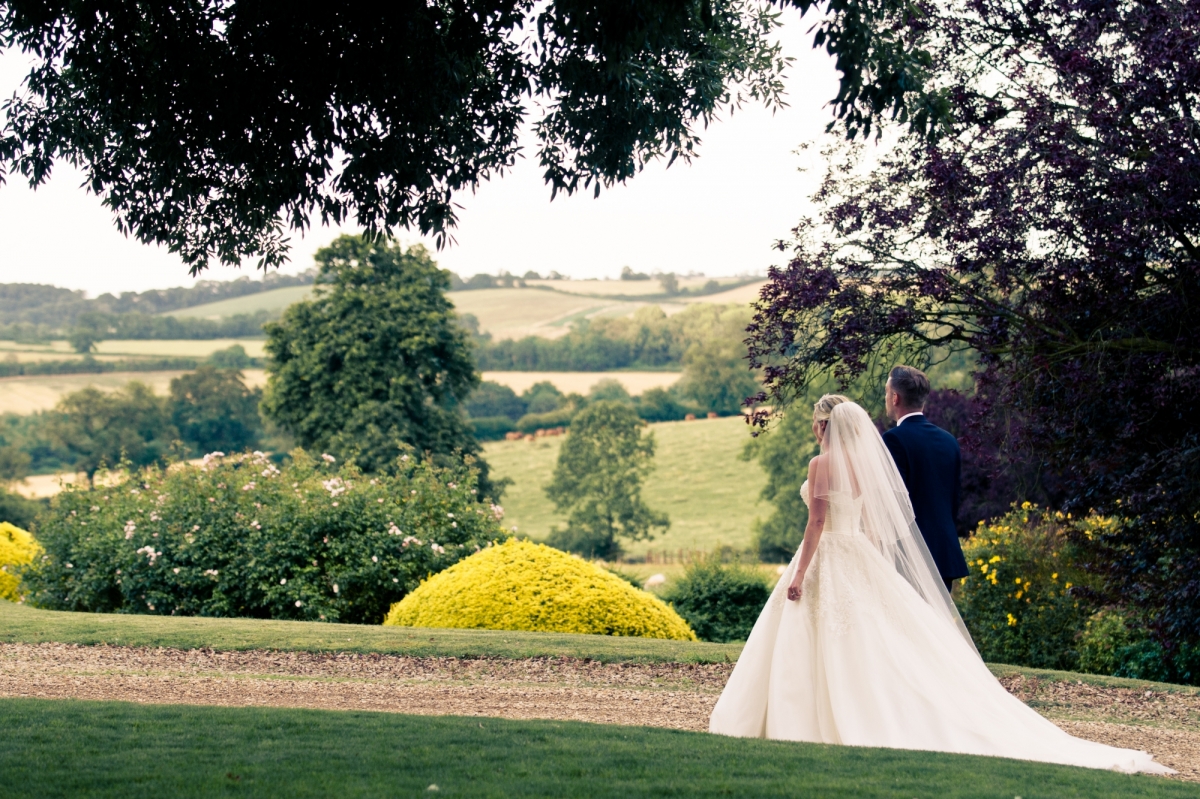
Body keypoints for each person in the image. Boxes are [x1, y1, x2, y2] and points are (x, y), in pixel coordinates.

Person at [708, 396, 1173, 775]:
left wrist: (800, 575)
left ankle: (802, 720)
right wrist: (869, 564)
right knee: (871, 642)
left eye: (816, 423)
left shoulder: (820, 465)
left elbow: (815, 524)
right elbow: (873, 527)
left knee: (815, 638)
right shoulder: (864, 467)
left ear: (821, 426)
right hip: (857, 554)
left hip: (828, 553)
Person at [881, 365, 969, 593]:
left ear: (895, 397)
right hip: (943, 552)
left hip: (911, 557)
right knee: (938, 627)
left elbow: (894, 505)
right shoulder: (949, 440)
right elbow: (953, 501)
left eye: (886, 393)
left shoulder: (893, 440)